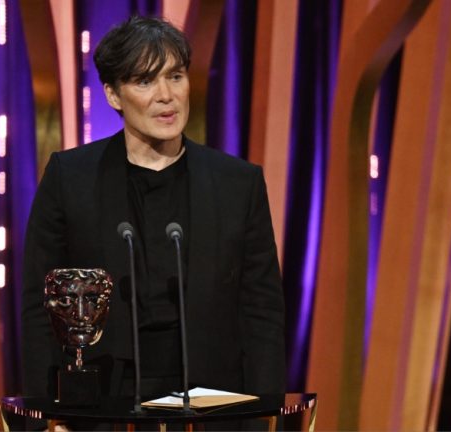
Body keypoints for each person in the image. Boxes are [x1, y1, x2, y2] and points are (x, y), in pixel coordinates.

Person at [21, 15, 285, 413]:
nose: (167, 96)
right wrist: (43, 413)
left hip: (211, 400)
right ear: (113, 95)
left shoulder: (238, 183)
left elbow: (262, 311)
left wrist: (266, 415)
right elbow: (39, 306)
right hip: (103, 400)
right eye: (145, 81)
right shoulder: (69, 177)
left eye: (175, 76)